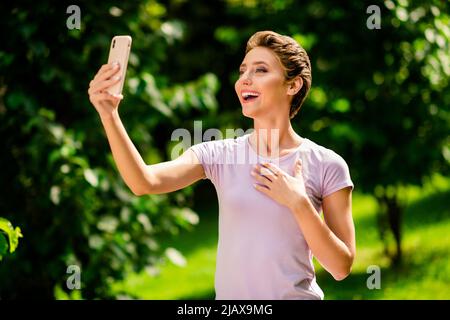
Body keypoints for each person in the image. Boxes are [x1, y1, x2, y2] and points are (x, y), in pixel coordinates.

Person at [88, 30, 355, 300]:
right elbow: (144, 182)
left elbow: (341, 267)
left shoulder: (327, 164)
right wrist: (109, 115)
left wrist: (299, 203)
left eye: (260, 70)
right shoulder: (219, 154)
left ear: (292, 85)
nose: (245, 80)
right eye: (243, 71)